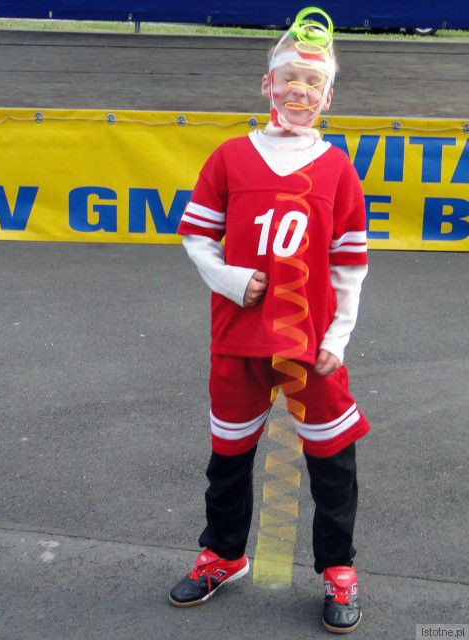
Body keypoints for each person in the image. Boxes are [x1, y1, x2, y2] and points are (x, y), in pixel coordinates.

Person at [169, 7, 370, 634]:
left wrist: (338, 336)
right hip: (238, 339)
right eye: (289, 79)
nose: (299, 92)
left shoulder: (338, 168)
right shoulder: (230, 156)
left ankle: (338, 567)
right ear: (267, 85)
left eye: (313, 83)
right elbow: (196, 237)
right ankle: (224, 554)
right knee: (228, 455)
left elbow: (349, 265)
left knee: (331, 457)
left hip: (309, 343)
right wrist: (231, 280)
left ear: (328, 97)